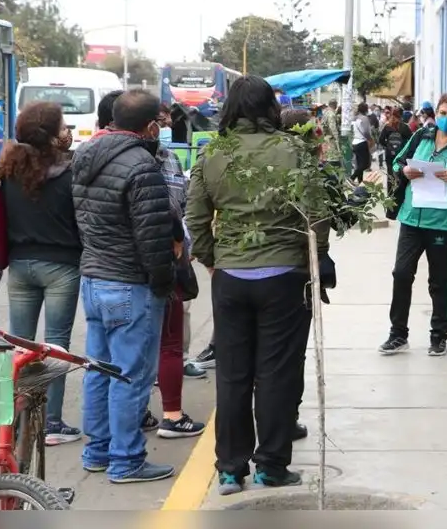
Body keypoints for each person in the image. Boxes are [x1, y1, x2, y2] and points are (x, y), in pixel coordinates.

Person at [186, 75, 313, 495]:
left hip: (231, 276)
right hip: (284, 275)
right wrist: (316, 256)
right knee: (276, 374)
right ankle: (271, 466)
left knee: (233, 375)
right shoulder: (293, 149)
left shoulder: (212, 152)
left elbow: (196, 217)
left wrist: (211, 259)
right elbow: (314, 213)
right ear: (270, 107)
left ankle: (229, 469)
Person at [73, 89, 177, 483]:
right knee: (130, 375)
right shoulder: (142, 166)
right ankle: (126, 459)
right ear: (149, 127)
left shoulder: (84, 155)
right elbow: (153, 238)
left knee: (99, 370)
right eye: (159, 124)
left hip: (93, 278)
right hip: (129, 284)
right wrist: (164, 284)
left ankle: (97, 451)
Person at [0, 101, 82, 446]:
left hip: (20, 266)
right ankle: (52, 424)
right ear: (52, 135)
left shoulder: (8, 170)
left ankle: (11, 424)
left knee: (19, 345)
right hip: (62, 267)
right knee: (55, 347)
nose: (67, 133)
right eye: (62, 127)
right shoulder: (69, 173)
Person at [380, 93, 447, 357]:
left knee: (438, 281)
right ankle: (397, 334)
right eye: (442, 113)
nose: (446, 119)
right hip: (411, 218)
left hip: (442, 224)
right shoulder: (420, 137)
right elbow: (397, 162)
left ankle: (439, 336)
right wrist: (404, 171)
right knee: (401, 274)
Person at [140, 107, 208, 440]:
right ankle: (170, 415)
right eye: (160, 121)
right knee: (168, 342)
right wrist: (182, 242)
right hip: (162, 261)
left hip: (114, 268)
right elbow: (174, 209)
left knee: (126, 348)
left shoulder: (92, 156)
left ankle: (125, 423)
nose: (165, 125)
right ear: (151, 126)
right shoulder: (157, 161)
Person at [350, 102, 374, 183]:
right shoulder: (364, 118)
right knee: (365, 164)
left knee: (359, 164)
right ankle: (352, 177)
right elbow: (366, 132)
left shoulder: (354, 118)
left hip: (355, 142)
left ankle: (360, 181)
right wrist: (370, 139)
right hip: (362, 142)